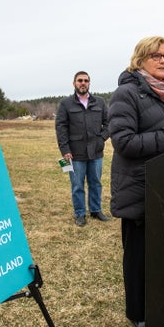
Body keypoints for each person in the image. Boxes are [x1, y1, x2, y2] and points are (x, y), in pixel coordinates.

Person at [108, 36, 164, 327]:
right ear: (141, 58)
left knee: (163, 252)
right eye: (157, 55)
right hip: (138, 188)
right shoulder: (126, 94)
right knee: (138, 256)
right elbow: (123, 142)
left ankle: (160, 301)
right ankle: (138, 313)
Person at [55, 71, 110, 227]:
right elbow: (61, 128)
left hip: (96, 151)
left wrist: (102, 139)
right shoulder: (66, 104)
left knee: (96, 183)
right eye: (80, 80)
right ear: (74, 83)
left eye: (86, 80)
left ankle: (96, 210)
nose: (83, 83)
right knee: (77, 185)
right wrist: (65, 150)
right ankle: (80, 214)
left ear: (89, 83)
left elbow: (108, 123)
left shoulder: (99, 102)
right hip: (75, 153)